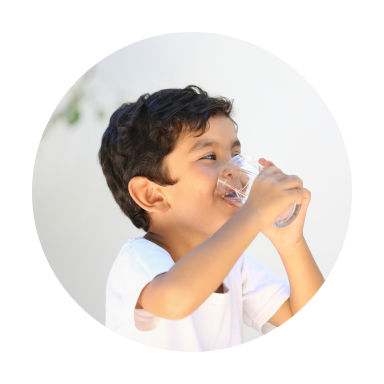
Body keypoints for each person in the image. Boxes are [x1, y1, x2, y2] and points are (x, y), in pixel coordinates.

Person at [98, 85, 324, 351]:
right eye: (209, 156)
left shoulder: (234, 265)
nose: (235, 171)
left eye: (236, 156)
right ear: (152, 195)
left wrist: (291, 244)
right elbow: (176, 299)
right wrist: (252, 213)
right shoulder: (137, 261)